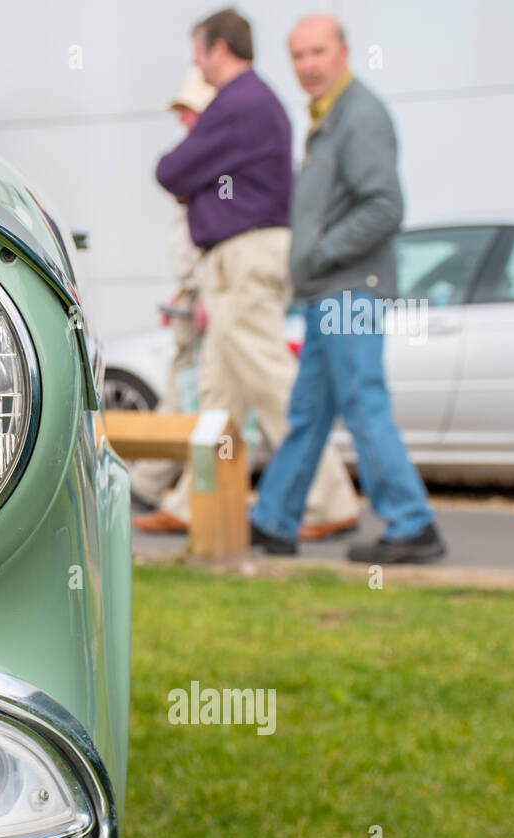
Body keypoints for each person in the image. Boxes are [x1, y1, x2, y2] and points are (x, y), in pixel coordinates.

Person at [138, 7, 359, 541]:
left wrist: (201, 185)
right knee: (219, 393)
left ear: (219, 49)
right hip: (239, 257)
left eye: (199, 54)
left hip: (246, 255)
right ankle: (195, 503)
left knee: (269, 377)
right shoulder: (254, 103)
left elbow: (171, 170)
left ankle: (329, 497)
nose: (197, 65)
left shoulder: (238, 102)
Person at [248, 14, 446, 564]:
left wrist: (318, 252)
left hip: (350, 293)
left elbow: (385, 206)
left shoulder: (360, 114)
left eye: (318, 52)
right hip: (325, 295)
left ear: (343, 52)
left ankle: (413, 524)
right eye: (298, 55)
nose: (308, 66)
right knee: (309, 410)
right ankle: (273, 521)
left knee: (362, 402)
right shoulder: (326, 118)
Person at [129, 68, 214, 515]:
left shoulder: (217, 166)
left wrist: (207, 297)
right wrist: (184, 297)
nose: (182, 120)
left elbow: (217, 243)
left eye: (189, 110)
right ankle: (149, 486)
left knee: (207, 400)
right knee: (183, 395)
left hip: (212, 300)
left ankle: (183, 501)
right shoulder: (201, 162)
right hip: (196, 299)